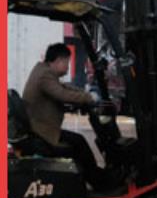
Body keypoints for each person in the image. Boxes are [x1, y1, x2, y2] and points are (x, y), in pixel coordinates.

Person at [22, 43, 105, 188]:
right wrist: (89, 98)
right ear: (59, 60)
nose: (68, 66)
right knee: (79, 142)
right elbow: (62, 94)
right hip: (42, 131)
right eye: (67, 62)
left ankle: (94, 176)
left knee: (78, 140)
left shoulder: (43, 71)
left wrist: (83, 94)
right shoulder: (45, 75)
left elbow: (63, 87)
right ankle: (98, 181)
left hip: (40, 127)